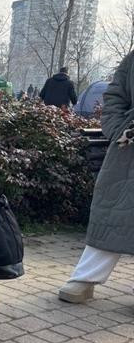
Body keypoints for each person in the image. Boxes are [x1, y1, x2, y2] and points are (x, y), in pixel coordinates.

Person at [58, 51, 134, 303]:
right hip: (129, 148)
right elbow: (115, 96)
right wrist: (118, 129)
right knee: (111, 211)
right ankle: (85, 278)